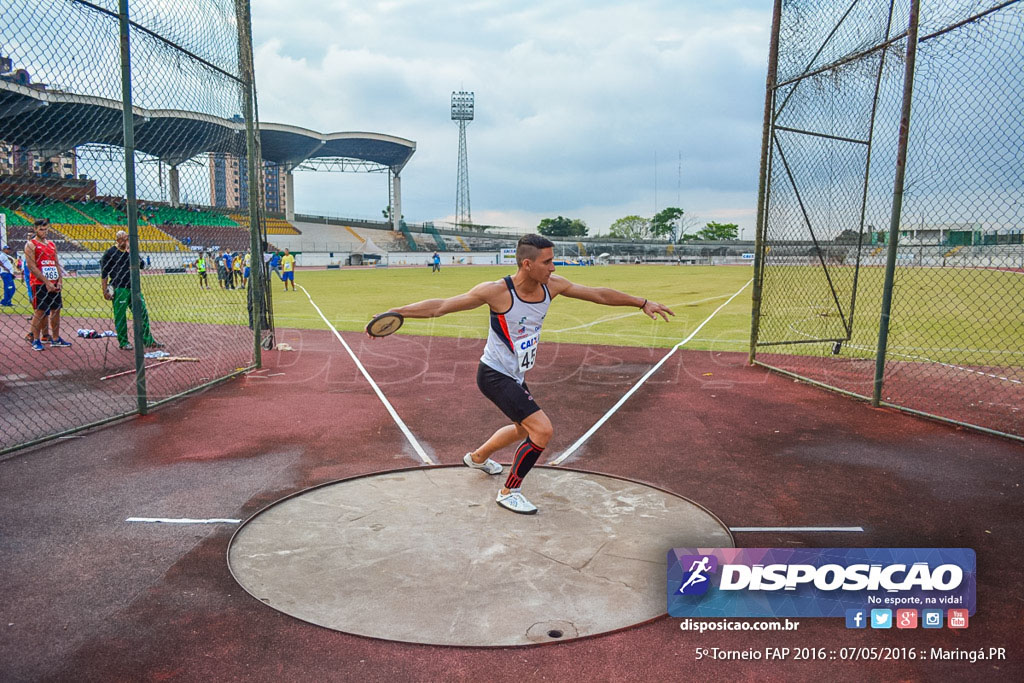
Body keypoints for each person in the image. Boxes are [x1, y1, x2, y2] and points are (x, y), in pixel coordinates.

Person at [373, 234, 674, 514]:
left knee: (522, 429)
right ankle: (509, 491)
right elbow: (440, 307)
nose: (553, 267)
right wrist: (396, 311)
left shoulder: (552, 286)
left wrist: (642, 302)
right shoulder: (496, 292)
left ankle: (477, 458)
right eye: (547, 262)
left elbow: (598, 294)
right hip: (493, 374)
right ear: (527, 264)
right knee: (542, 430)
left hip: (515, 374)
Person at [100, 230, 163, 351]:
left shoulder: (132, 251)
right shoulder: (110, 253)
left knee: (142, 312)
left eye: (126, 239)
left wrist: (131, 253)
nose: (126, 241)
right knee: (120, 316)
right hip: (119, 287)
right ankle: (123, 342)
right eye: (123, 239)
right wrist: (105, 290)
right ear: (118, 240)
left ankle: (148, 340)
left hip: (134, 287)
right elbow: (104, 273)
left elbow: (142, 265)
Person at [24, 218, 72, 350]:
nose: (44, 232)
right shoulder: (31, 244)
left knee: (56, 310)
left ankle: (55, 338)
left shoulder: (51, 244)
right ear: (35, 229)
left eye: (46, 229)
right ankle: (35, 339)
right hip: (39, 282)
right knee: (39, 311)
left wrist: (59, 280)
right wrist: (46, 281)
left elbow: (56, 263)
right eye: (41, 229)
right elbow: (31, 266)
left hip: (54, 282)